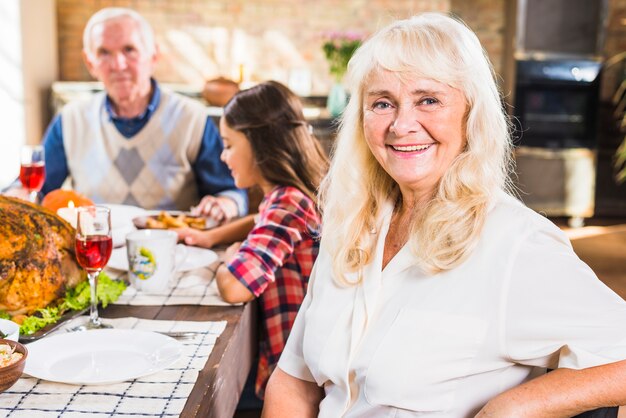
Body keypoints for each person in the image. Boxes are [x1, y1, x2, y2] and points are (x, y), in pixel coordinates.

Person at [263, 12, 626, 418]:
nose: (401, 126)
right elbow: (294, 382)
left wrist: (517, 405)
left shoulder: (514, 244)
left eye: (428, 100)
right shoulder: (351, 226)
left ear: (471, 115)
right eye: (382, 103)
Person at [177, 81, 328, 402]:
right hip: (299, 362)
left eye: (229, 144)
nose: (223, 155)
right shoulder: (293, 196)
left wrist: (228, 256)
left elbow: (234, 287)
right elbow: (260, 218)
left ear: (259, 144)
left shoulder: (287, 204)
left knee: (199, 379)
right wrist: (210, 237)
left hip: (292, 374)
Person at [17, 7, 247, 219]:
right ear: (90, 63)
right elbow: (32, 190)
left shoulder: (192, 118)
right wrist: (14, 195)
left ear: (153, 56)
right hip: (93, 254)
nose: (118, 64)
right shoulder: (70, 119)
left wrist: (226, 203)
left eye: (129, 50)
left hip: (174, 253)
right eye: (104, 52)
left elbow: (231, 192)